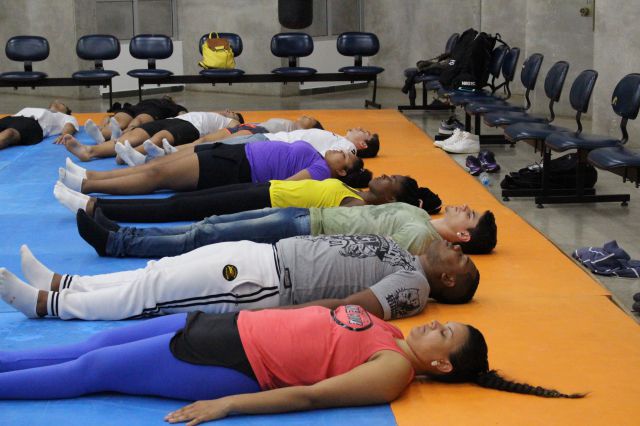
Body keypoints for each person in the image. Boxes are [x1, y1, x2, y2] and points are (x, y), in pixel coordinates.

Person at [0, 306, 584, 419]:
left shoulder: (392, 370)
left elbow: (310, 396)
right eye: (442, 322)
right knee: (95, 343)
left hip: (229, 360)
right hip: (224, 323)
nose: (435, 325)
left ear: (443, 365)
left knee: (91, 371)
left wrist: (227, 405)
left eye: (444, 334)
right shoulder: (387, 329)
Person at [0, 235, 478, 320]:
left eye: (461, 261)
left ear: (450, 282)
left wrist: (279, 318)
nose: (457, 249)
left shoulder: (415, 286)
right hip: (264, 256)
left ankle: (46, 306)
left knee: (155, 293)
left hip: (267, 284)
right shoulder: (406, 254)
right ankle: (64, 283)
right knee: (159, 271)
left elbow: (352, 307)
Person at [75, 201, 496, 258]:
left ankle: (116, 244)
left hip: (306, 229)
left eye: (470, 217)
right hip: (306, 213)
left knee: (203, 238)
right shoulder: (422, 217)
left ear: (462, 236)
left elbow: (370, 250)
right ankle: (125, 232)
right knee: (210, 225)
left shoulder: (421, 239)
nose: (465, 208)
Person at [54, 174, 438, 223]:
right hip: (264, 188)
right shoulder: (354, 189)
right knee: (184, 198)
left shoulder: (356, 207)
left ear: (391, 197)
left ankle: (95, 207)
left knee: (177, 208)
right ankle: (96, 202)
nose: (383, 176)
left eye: (391, 180)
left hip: (260, 205)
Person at [58, 140, 361, 196]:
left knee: (157, 175)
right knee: (159, 164)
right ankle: (91, 174)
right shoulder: (319, 156)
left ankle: (88, 186)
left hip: (238, 169)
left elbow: (286, 186)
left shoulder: (321, 172)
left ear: (343, 172)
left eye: (345, 157)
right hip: (237, 153)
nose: (340, 150)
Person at [117, 115, 324, 167]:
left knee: (211, 146)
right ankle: (160, 153)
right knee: (204, 139)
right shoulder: (290, 123)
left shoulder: (298, 133)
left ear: (312, 128)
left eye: (310, 119)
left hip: (257, 133)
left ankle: (151, 158)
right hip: (249, 127)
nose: (305, 116)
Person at [58, 110, 243, 161]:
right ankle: (89, 151)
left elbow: (231, 133)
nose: (229, 111)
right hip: (173, 120)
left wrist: (235, 121)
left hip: (193, 128)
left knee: (158, 138)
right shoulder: (211, 113)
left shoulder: (230, 123)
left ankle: (131, 155)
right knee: (133, 135)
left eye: (233, 112)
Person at [84, 96, 188, 143]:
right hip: (136, 108)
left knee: (137, 121)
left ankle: (110, 135)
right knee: (119, 121)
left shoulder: (174, 106)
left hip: (152, 110)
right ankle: (102, 136)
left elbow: (182, 114)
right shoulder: (155, 101)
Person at [0, 101, 78, 150]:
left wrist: (65, 134)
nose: (58, 102)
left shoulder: (65, 116)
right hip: (11, 118)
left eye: (62, 104)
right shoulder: (42, 110)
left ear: (66, 111)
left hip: (32, 124)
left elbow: (70, 125)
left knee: (9, 133)